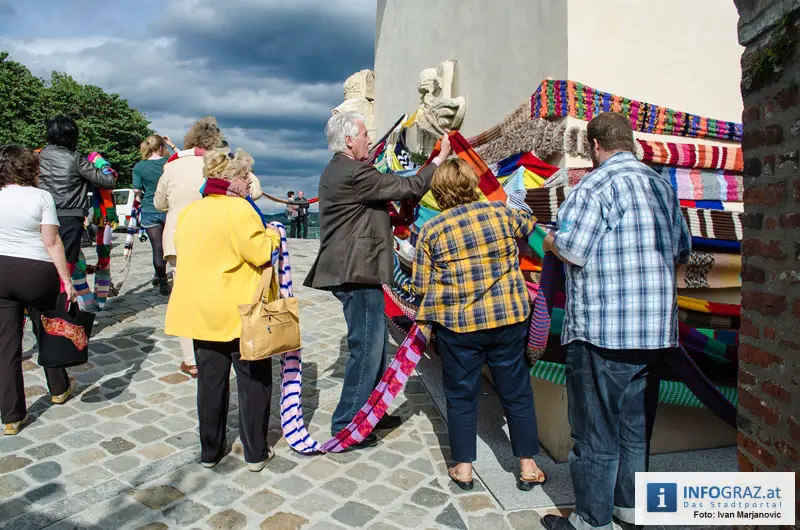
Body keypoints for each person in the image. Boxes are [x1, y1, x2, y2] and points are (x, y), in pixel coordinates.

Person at [539, 112, 691, 530]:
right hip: (655, 333)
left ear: (593, 146)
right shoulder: (662, 187)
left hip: (603, 334)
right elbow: (681, 250)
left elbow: (572, 249)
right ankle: (631, 509)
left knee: (595, 435)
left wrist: (547, 238)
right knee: (635, 429)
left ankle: (590, 519)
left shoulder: (593, 186)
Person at [304, 111, 451, 447]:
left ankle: (369, 413)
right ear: (349, 140)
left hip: (356, 269)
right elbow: (410, 184)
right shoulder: (354, 172)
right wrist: (439, 159)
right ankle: (348, 425)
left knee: (376, 346)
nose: (369, 140)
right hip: (356, 271)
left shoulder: (343, 169)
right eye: (364, 135)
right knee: (367, 349)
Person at [413, 158, 546, 491]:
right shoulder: (501, 214)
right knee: (517, 394)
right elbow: (529, 222)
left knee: (461, 397)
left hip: (458, 327)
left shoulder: (431, 230)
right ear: (471, 185)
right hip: (507, 320)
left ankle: (464, 468)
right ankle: (528, 466)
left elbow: (419, 285)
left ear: (439, 192)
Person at [164, 148, 280, 471]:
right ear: (232, 178)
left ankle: (210, 450)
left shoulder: (190, 212)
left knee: (210, 384)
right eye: (246, 176)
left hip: (201, 312)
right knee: (253, 383)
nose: (249, 182)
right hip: (238, 312)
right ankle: (255, 452)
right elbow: (259, 252)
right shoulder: (240, 211)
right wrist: (272, 234)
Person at [0, 145, 78, 435]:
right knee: (47, 328)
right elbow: (51, 241)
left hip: (1, 269)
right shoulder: (41, 196)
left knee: (6, 345)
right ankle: (58, 387)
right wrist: (66, 281)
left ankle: (11, 415)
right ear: (29, 168)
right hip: (36, 270)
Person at [153, 117, 227, 379]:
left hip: (178, 238)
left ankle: (190, 359)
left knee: (183, 295)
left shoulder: (172, 166)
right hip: (213, 236)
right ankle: (217, 346)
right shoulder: (219, 163)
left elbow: (160, 203)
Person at [37, 116, 117, 284]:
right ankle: (61, 304)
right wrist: (102, 164)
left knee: (45, 262)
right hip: (69, 218)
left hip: (40, 216)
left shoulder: (37, 158)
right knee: (66, 265)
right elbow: (108, 181)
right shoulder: (76, 159)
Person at [133, 135, 179, 296]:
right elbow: (184, 158)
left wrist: (139, 197)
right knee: (172, 245)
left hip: (149, 209)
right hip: (169, 208)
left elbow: (137, 190)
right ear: (161, 147)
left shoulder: (139, 167)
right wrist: (172, 145)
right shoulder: (170, 162)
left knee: (157, 248)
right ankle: (176, 276)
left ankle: (162, 280)